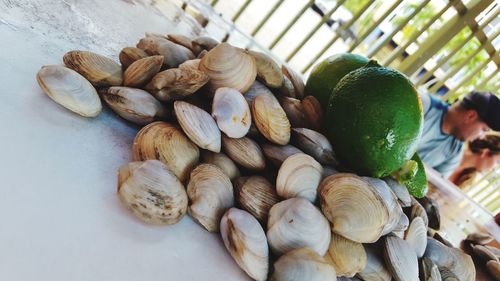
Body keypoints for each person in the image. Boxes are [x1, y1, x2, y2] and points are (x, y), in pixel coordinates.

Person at [417, 91, 500, 178]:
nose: (482, 137)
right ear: (470, 116)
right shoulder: (422, 106)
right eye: (484, 130)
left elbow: (432, 187)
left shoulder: (455, 152)